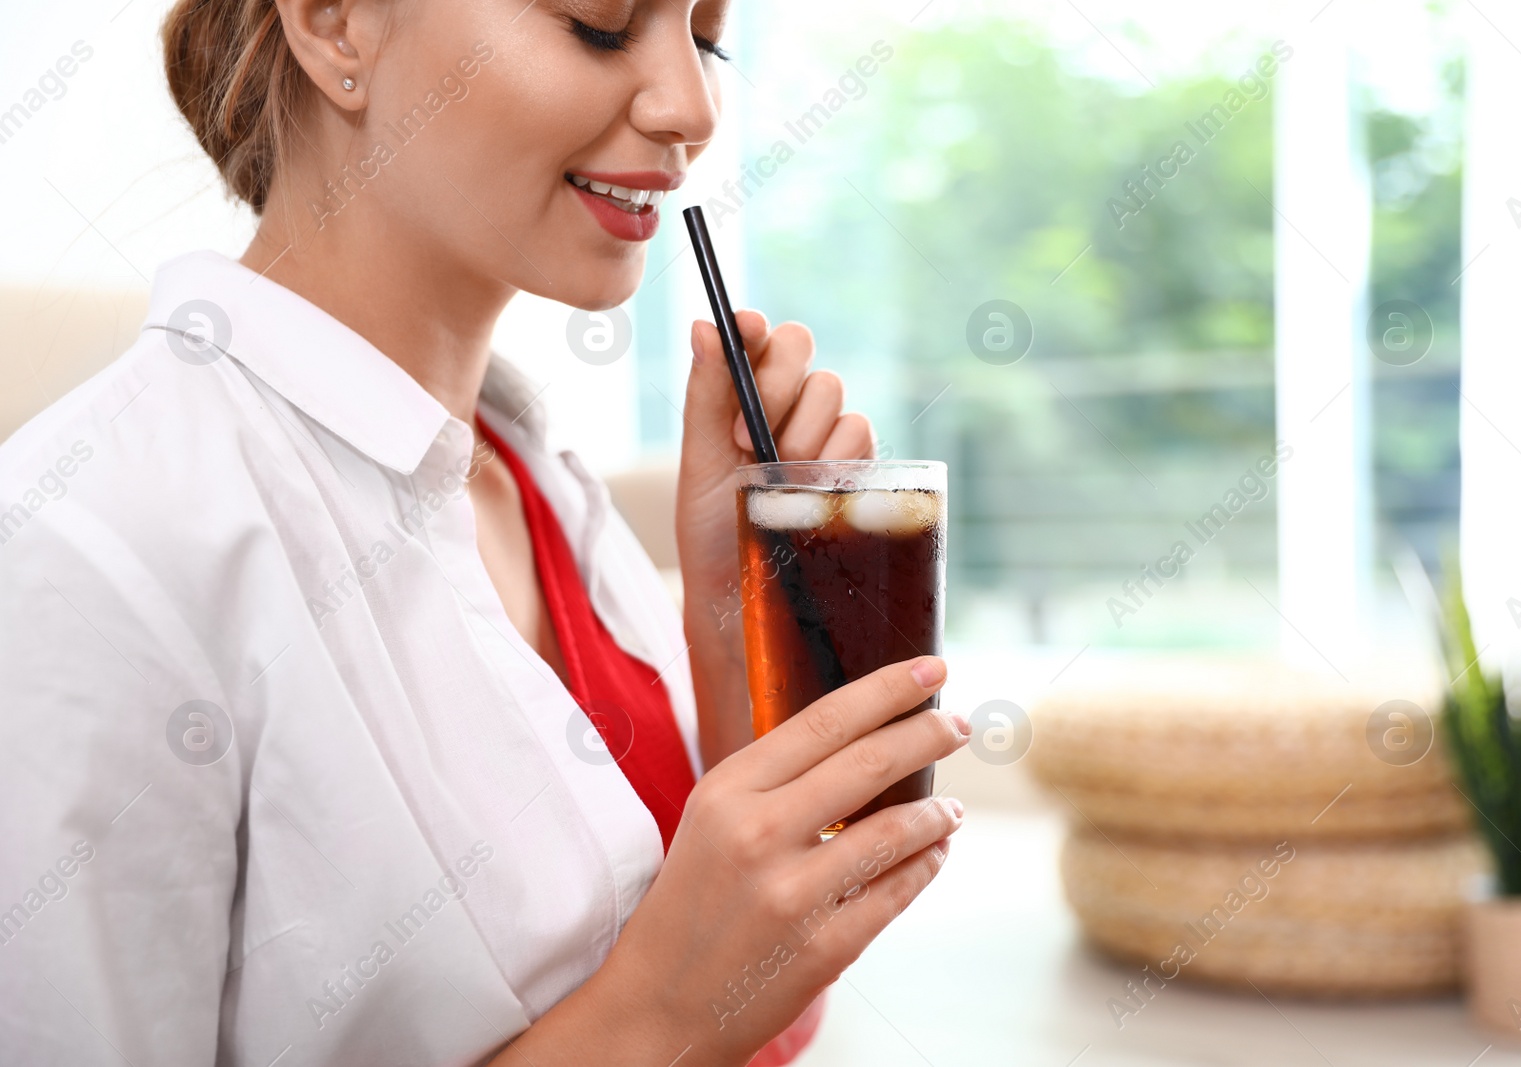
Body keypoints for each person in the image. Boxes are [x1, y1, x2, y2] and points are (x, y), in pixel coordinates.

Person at [0, 0, 968, 1064]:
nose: (691, 107)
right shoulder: (87, 545)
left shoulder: (537, 483)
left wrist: (730, 631)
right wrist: (658, 1013)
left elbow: (757, 995)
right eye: (598, 25)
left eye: (704, 37)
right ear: (335, 28)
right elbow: (691, 1005)